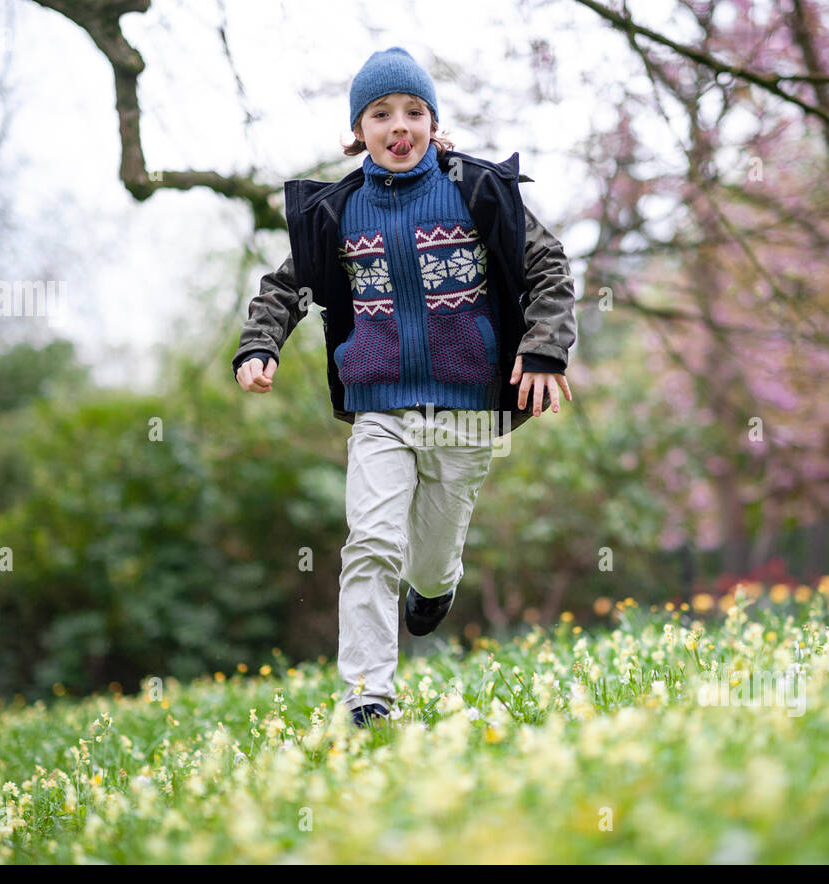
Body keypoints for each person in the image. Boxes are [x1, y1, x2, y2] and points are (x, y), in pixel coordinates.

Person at [230, 46, 576, 728]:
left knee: (434, 551)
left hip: (469, 407)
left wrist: (543, 351)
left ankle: (435, 586)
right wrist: (259, 343)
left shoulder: (476, 192)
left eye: (414, 111)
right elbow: (283, 286)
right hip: (379, 405)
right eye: (381, 112)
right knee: (370, 542)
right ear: (357, 130)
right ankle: (366, 695)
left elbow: (548, 268)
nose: (400, 124)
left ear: (433, 123)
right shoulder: (337, 213)